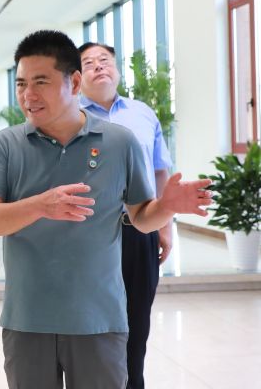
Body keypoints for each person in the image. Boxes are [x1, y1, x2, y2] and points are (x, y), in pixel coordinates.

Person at [0, 30, 212, 389]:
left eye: (41, 82)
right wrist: (41, 205)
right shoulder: (6, 145)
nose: (28, 95)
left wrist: (167, 207)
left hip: (99, 318)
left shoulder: (119, 142)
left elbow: (141, 217)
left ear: (73, 82)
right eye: (21, 84)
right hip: (28, 319)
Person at [79, 41, 172, 389]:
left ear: (117, 69)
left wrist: (165, 226)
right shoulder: (70, 118)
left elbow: (160, 171)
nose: (98, 66)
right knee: (92, 323)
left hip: (139, 228)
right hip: (88, 235)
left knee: (137, 322)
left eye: (104, 60)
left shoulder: (142, 113)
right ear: (76, 77)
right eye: (89, 63)